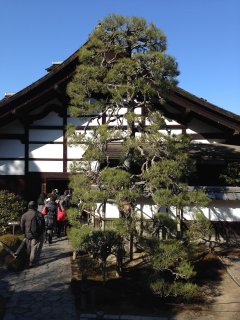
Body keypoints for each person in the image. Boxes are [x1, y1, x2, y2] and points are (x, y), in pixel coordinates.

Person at [20, 201, 45, 268]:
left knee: (28, 249)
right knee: (34, 249)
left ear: (28, 206)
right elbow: (43, 225)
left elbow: (22, 226)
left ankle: (27, 262)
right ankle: (32, 263)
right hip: (36, 235)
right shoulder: (39, 214)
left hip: (28, 235)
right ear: (35, 206)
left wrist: (24, 233)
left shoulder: (24, 215)